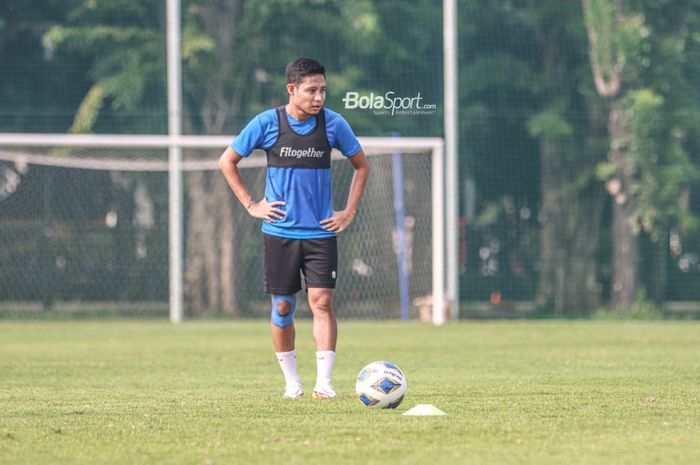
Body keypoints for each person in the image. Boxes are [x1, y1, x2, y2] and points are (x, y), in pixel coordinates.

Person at [219, 57, 370, 399]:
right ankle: (292, 383)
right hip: (280, 233)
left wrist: (347, 212)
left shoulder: (333, 125)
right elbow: (227, 161)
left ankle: (324, 383)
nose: (319, 98)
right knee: (283, 307)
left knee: (322, 302)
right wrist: (251, 205)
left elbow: (362, 166)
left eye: (323, 91)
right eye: (311, 90)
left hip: (320, 233)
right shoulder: (267, 123)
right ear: (292, 89)